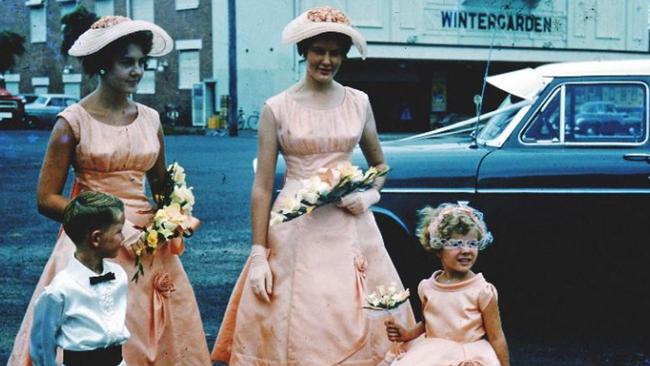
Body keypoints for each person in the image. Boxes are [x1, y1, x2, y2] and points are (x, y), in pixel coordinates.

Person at [212, 6, 414, 365]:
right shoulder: (276, 108)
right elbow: (261, 187)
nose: (327, 60)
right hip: (294, 227)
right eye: (319, 50)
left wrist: (369, 194)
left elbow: (380, 165)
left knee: (351, 307)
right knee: (303, 313)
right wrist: (258, 253)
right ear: (303, 51)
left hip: (349, 226)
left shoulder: (358, 102)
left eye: (336, 52)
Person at [9, 15, 211, 365]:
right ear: (101, 65)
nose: (136, 71)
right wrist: (109, 225)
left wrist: (175, 217)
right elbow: (46, 199)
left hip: (149, 243)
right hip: (96, 241)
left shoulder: (151, 119)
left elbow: (161, 185)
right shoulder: (71, 122)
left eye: (141, 63)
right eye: (126, 62)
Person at [383, 203, 510, 366]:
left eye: (472, 244)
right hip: (431, 355)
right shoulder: (427, 287)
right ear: (437, 248)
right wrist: (406, 334)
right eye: (456, 244)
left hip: (468, 356)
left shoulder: (482, 291)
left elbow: (496, 337)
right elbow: (426, 323)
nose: (465, 250)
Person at [30, 191, 129, 366]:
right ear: (96, 238)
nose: (123, 238)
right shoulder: (60, 289)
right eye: (118, 231)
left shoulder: (119, 275)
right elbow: (41, 346)